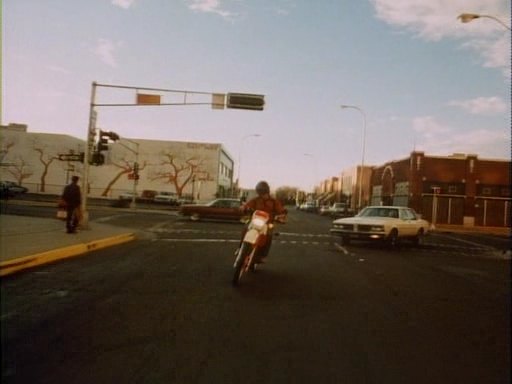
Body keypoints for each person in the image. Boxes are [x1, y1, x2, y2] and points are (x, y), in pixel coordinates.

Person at [240, 181, 287, 263]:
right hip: (255, 220)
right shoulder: (256, 200)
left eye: (262, 192)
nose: (261, 194)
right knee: (245, 228)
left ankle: (262, 255)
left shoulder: (274, 201)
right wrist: (244, 208)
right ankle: (240, 247)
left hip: (267, 222)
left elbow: (281, 210)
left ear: (267, 191)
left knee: (268, 236)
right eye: (259, 192)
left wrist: (282, 215)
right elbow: (247, 205)